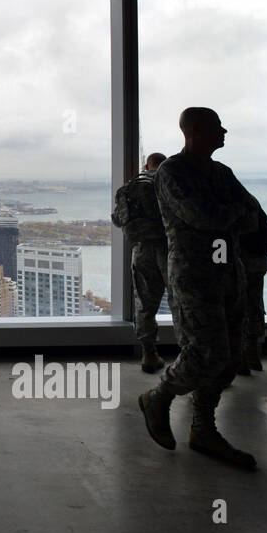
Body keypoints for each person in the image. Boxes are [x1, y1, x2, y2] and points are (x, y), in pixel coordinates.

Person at [138, 107, 258, 470]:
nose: (224, 131)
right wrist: (228, 212)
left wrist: (226, 213)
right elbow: (203, 217)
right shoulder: (171, 171)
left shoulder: (222, 172)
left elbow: (251, 215)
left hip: (227, 273)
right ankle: (158, 396)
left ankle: (203, 427)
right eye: (216, 126)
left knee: (230, 356)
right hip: (192, 276)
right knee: (206, 352)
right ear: (194, 131)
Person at [113, 152, 170, 372]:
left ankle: (148, 354)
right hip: (169, 249)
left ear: (146, 165)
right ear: (164, 165)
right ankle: (190, 357)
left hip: (142, 249)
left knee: (145, 305)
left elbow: (119, 219)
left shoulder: (132, 187)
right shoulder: (167, 182)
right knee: (181, 302)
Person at [235, 188, 267, 375]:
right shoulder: (249, 199)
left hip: (239, 261)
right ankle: (252, 354)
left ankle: (240, 359)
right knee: (254, 306)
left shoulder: (227, 201)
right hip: (257, 261)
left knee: (236, 308)